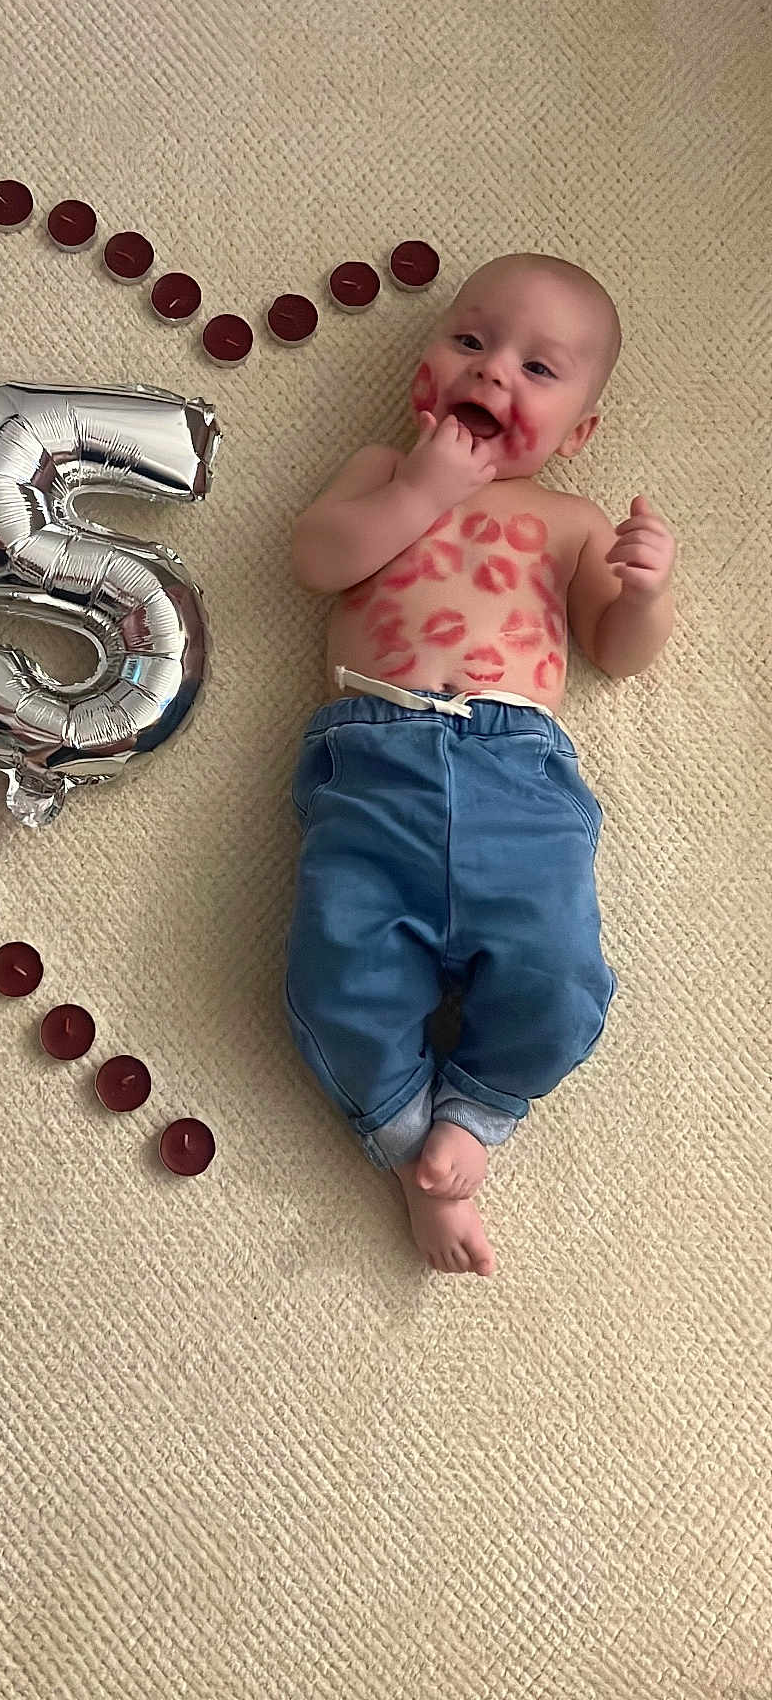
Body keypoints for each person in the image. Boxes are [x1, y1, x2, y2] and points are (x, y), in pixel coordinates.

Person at [285, 253, 677, 1276]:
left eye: (540, 370)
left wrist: (640, 595)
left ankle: (482, 1108)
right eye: (470, 341)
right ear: (427, 360)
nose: (495, 372)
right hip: (376, 753)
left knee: (564, 974)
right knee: (337, 970)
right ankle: (412, 1138)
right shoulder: (382, 471)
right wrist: (423, 486)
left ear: (579, 434)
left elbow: (617, 654)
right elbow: (320, 561)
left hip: (520, 773)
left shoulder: (568, 521)